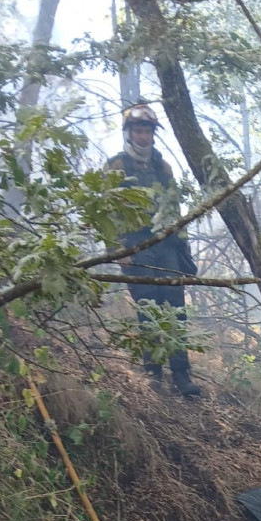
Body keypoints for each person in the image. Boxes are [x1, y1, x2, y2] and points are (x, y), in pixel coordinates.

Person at [106, 104, 202, 399]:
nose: (143, 136)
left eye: (147, 131)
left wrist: (184, 251)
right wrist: (118, 250)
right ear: (129, 132)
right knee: (147, 309)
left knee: (175, 310)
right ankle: (153, 374)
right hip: (135, 244)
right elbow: (107, 211)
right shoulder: (116, 166)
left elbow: (174, 208)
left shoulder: (163, 167)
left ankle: (182, 376)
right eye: (138, 130)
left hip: (166, 244)